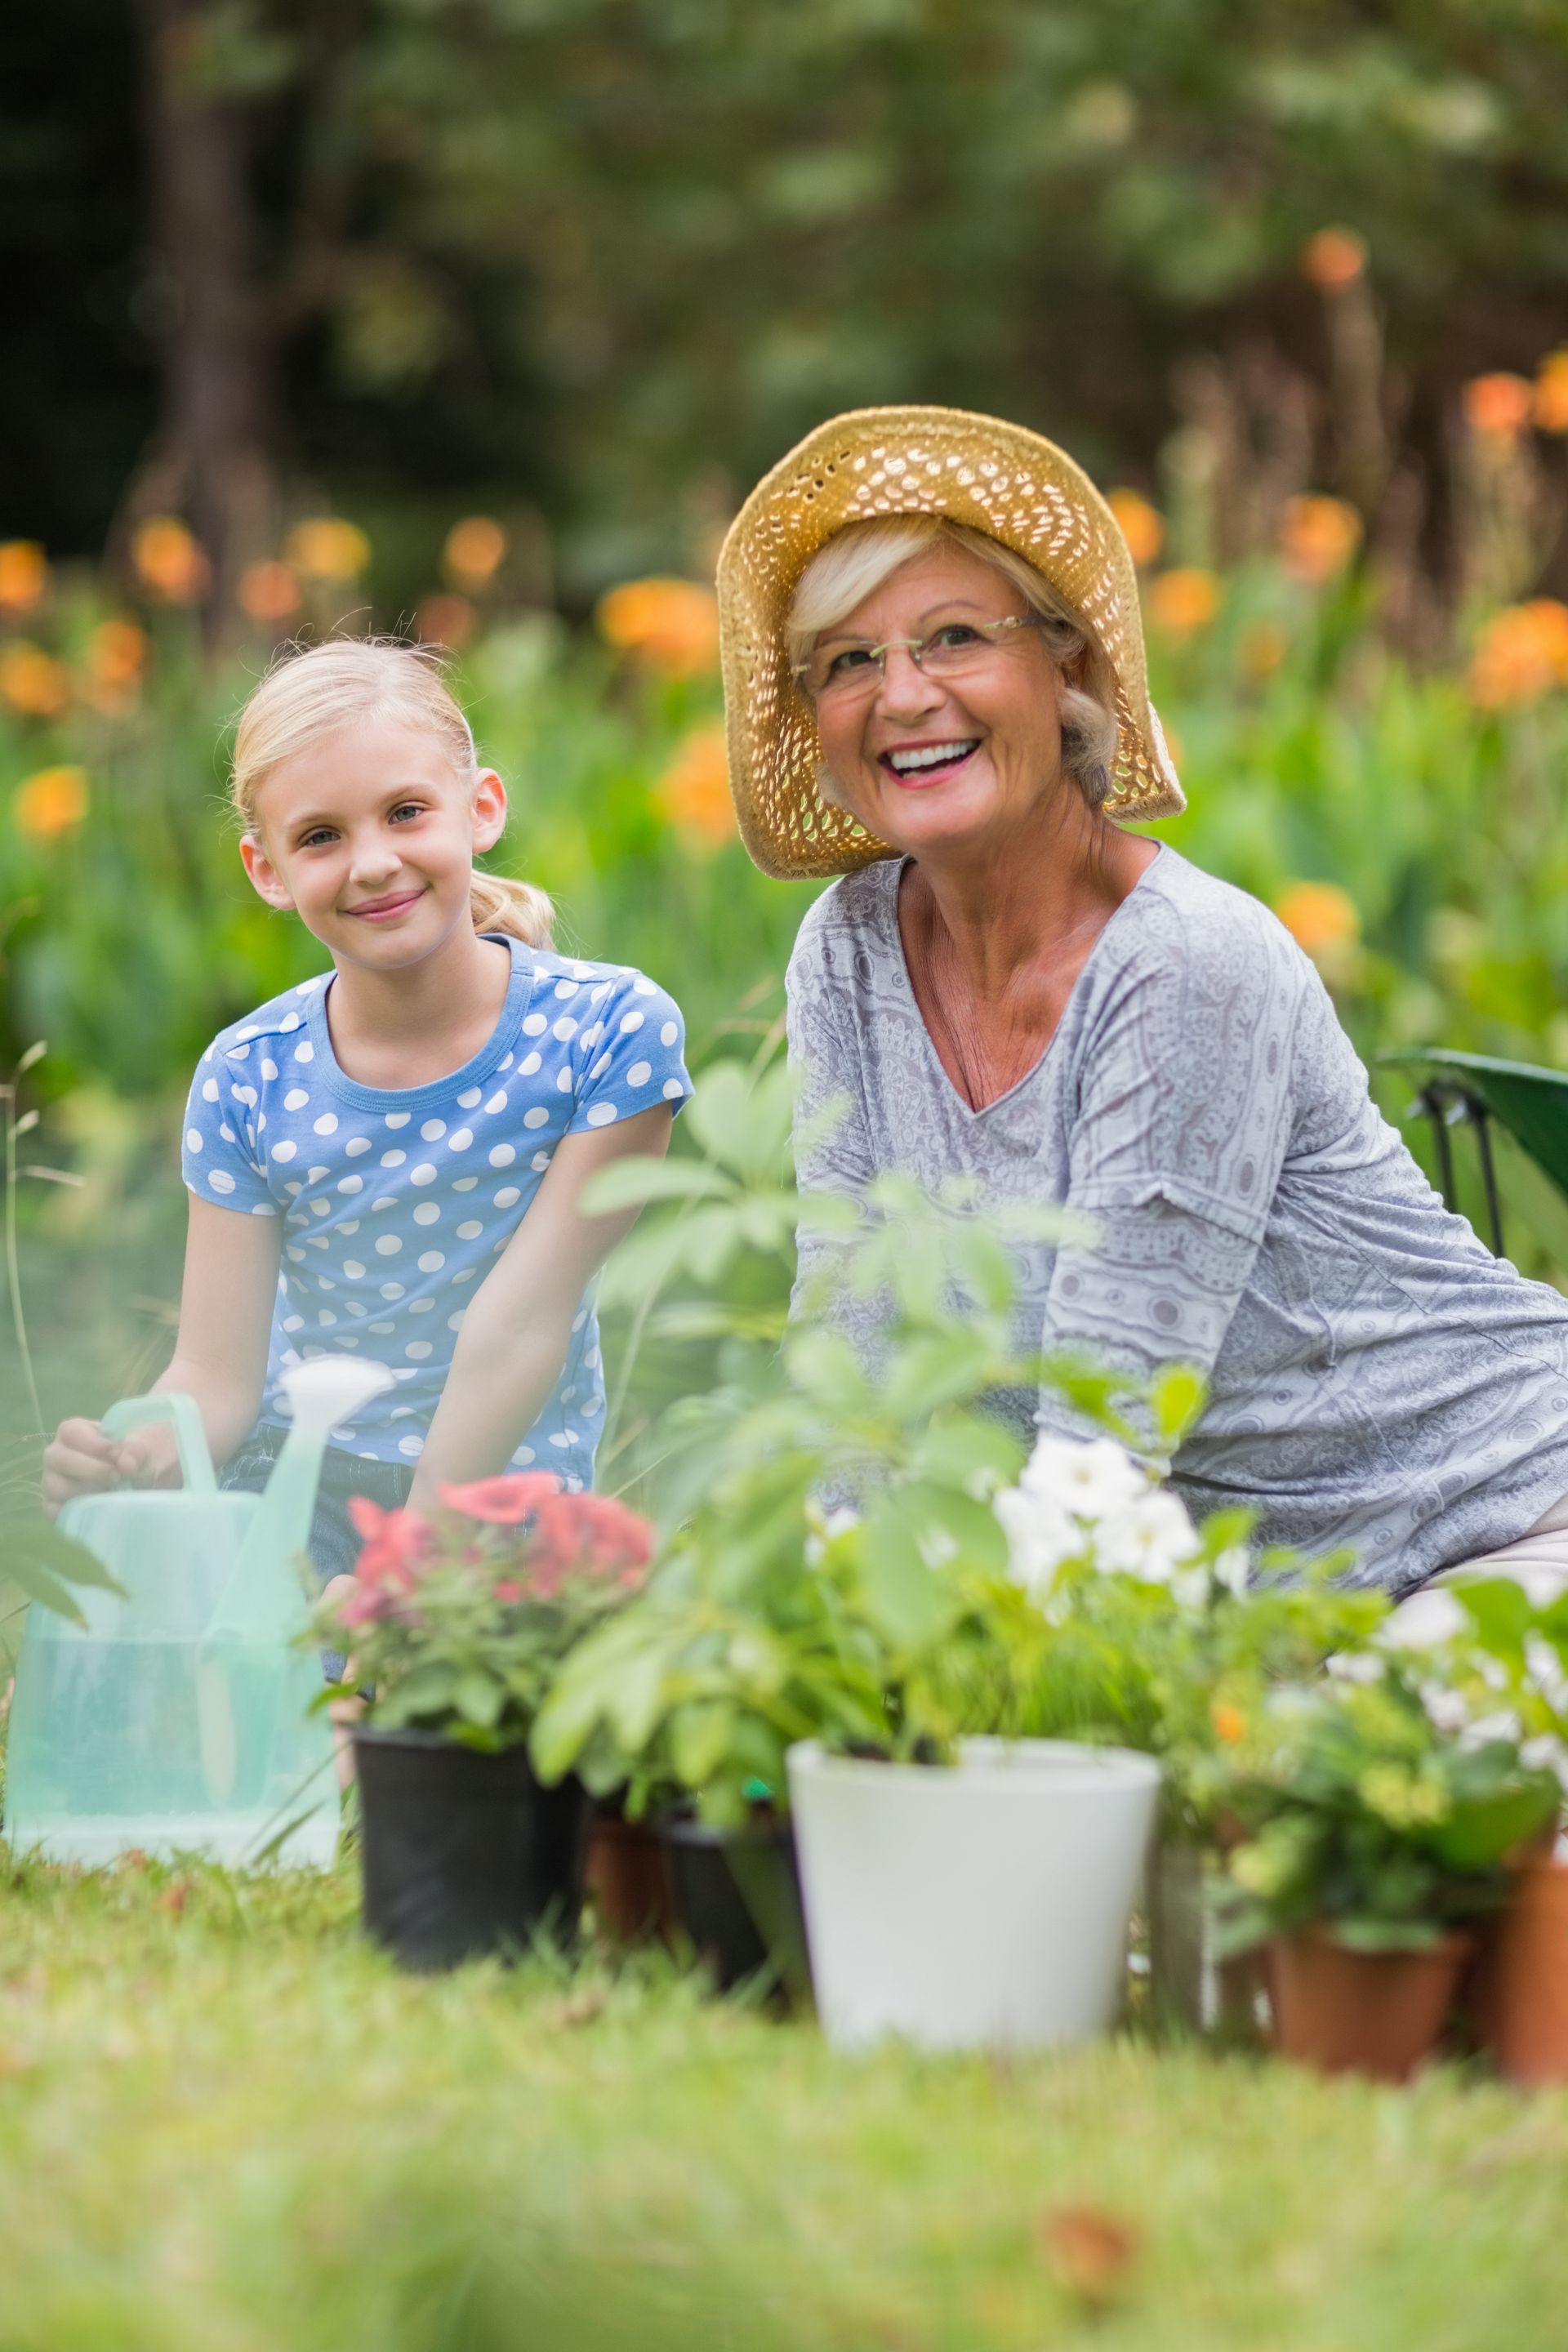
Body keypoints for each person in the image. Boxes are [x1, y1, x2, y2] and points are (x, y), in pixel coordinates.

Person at [715, 404, 1568, 1600]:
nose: (902, 696)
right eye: (849, 661)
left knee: (1331, 1779)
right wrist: (811, 1608)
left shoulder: (1182, 963)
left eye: (954, 637)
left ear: (1064, 665)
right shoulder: (849, 947)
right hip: (1258, 1597)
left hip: (1498, 1513)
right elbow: (849, 1331)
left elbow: (1105, 1446)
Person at [42, 636, 692, 1591]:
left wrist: (411, 1565)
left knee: (444, 1719)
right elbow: (216, 1380)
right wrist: (134, 1460)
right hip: (292, 1487)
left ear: (482, 810)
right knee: (250, 1701)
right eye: (321, 837)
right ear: (266, 871)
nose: (374, 863)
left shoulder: (606, 1036)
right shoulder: (249, 1078)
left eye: (405, 812)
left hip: (501, 1496)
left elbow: (520, 1324)